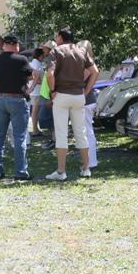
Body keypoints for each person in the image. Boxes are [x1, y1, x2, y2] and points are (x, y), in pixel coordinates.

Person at [45, 28, 99, 181]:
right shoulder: (81, 50)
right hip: (78, 95)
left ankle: (61, 171)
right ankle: (86, 168)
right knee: (81, 132)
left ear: (60, 37)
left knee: (62, 133)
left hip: (62, 95)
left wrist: (53, 90)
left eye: (57, 36)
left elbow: (50, 74)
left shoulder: (55, 52)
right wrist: (86, 90)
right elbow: (95, 71)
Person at [0, 35, 33, 180]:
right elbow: (29, 76)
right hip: (17, 100)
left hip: (1, 99)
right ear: (16, 45)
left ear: (4, 46)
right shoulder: (22, 60)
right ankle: (21, 171)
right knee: (19, 137)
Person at [79, 40, 99, 170]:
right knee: (87, 132)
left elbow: (88, 75)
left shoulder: (86, 63)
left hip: (86, 101)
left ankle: (91, 162)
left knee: (86, 132)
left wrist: (85, 91)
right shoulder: (90, 61)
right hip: (89, 100)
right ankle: (90, 161)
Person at [28, 47, 45, 136]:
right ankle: (35, 129)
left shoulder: (36, 63)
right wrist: (45, 83)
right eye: (43, 55)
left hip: (36, 91)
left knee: (35, 111)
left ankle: (36, 128)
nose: (44, 57)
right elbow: (35, 77)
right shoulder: (36, 64)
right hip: (36, 91)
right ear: (39, 55)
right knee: (35, 111)